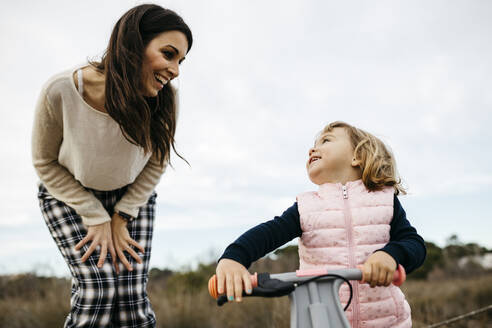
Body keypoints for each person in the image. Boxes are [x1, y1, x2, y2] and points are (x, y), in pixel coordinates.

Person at [31, 4, 192, 327]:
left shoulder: (166, 99)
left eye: (180, 61)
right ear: (133, 43)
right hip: (68, 195)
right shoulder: (61, 90)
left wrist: (121, 216)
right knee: (98, 290)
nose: (175, 70)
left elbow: (156, 162)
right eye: (169, 54)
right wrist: (93, 214)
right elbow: (44, 162)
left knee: (132, 299)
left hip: (131, 200)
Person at [215, 121, 426, 327]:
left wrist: (390, 255)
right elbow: (268, 234)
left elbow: (413, 243)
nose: (312, 149)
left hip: (387, 321)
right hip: (322, 319)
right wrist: (234, 257)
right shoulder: (306, 208)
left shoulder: (384, 200)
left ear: (357, 156)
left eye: (326, 140)